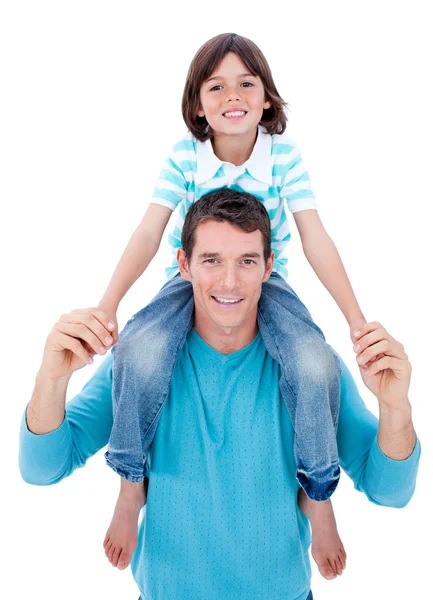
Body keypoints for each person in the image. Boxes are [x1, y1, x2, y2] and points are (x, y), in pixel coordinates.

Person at [20, 191, 420, 600]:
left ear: (268, 268)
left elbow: (390, 492)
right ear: (183, 265)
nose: (229, 282)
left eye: (246, 261)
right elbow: (42, 469)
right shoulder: (141, 362)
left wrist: (395, 408)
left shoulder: (312, 369)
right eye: (211, 260)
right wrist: (50, 380)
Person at [95, 32, 372, 577]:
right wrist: (109, 305)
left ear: (266, 97)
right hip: (190, 283)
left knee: (314, 365)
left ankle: (317, 497)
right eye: (215, 86)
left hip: (266, 284)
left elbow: (315, 238)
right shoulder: (184, 157)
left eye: (246, 83)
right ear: (198, 104)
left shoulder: (284, 159)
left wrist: (356, 320)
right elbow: (150, 231)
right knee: (138, 352)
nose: (232, 95)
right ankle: (131, 487)